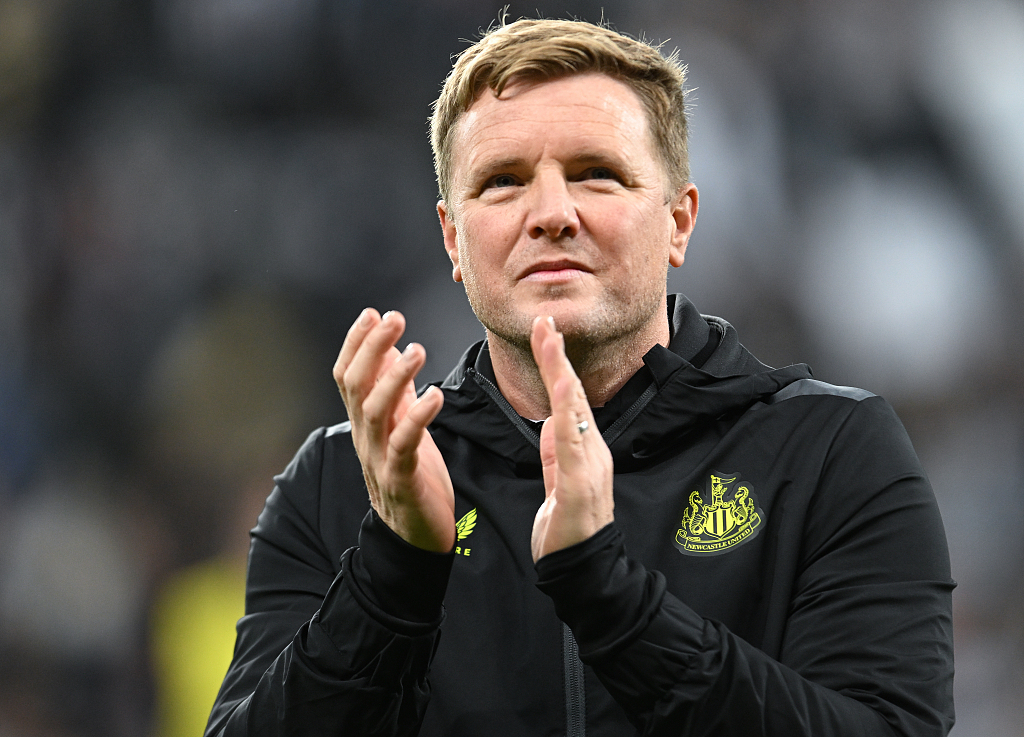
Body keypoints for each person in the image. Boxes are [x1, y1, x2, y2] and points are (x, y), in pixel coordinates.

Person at [206, 17, 955, 737]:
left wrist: (609, 593)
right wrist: (393, 571)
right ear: (452, 238)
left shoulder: (828, 452)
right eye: (502, 182)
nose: (552, 213)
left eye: (597, 174)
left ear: (678, 223)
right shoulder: (343, 483)